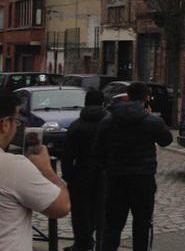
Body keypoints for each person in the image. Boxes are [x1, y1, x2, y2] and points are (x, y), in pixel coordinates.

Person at [96, 82, 172, 251]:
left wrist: (108, 168)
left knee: (113, 226)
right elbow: (166, 140)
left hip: (116, 178)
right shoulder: (151, 121)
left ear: (127, 97)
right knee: (142, 225)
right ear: (146, 98)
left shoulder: (109, 120)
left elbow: (98, 151)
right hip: (143, 179)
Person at [0, 90, 71, 250]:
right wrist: (46, 170)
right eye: (16, 121)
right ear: (4, 124)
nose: (16, 128)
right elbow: (61, 206)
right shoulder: (12, 166)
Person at [61, 90, 108, 251]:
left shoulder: (77, 125)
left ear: (86, 103)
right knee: (103, 209)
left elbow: (67, 155)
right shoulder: (110, 124)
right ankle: (102, 242)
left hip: (81, 173)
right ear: (103, 103)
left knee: (80, 211)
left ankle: (82, 243)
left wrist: (68, 176)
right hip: (105, 173)